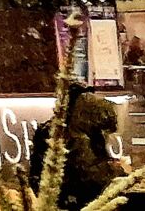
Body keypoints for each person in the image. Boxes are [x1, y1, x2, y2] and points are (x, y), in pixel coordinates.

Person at [29, 83, 127, 211]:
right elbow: (89, 177)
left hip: (55, 200)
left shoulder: (53, 130)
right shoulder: (76, 135)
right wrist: (119, 171)